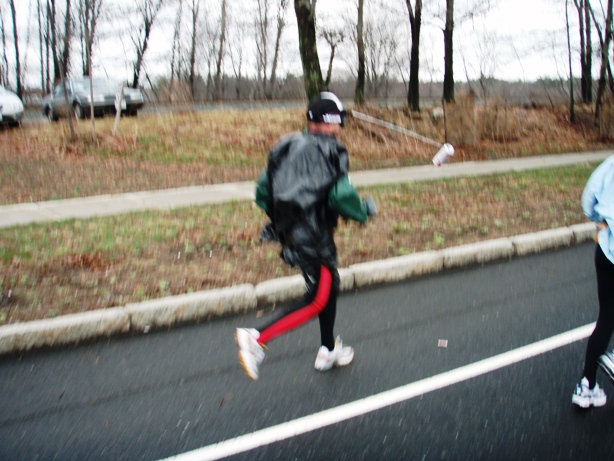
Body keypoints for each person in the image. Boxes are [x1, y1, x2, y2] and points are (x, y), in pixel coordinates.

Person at [234, 92, 376, 381]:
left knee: (329, 285)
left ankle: (328, 350)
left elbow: (263, 191)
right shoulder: (331, 149)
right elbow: (341, 195)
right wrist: (363, 211)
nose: (340, 128)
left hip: (291, 232)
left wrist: (286, 218)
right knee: (317, 299)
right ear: (329, 122)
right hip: (314, 236)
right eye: (338, 122)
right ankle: (257, 338)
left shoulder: (288, 143)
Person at [572, 155, 614, 408]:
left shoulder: (612, 163)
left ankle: (586, 386)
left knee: (607, 317)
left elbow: (589, 197)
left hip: (608, 251)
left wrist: (601, 218)